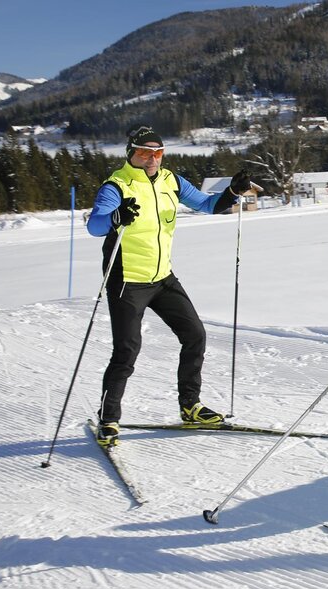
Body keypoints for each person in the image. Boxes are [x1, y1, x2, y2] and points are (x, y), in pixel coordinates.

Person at [86, 125, 251, 447]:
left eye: (158, 153)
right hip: (127, 281)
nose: (152, 158)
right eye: (145, 152)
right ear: (131, 153)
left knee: (195, 335)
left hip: (162, 277)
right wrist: (116, 216)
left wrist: (233, 192)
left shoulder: (170, 181)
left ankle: (190, 406)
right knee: (127, 351)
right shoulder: (116, 185)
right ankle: (109, 419)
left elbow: (207, 204)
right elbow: (95, 226)